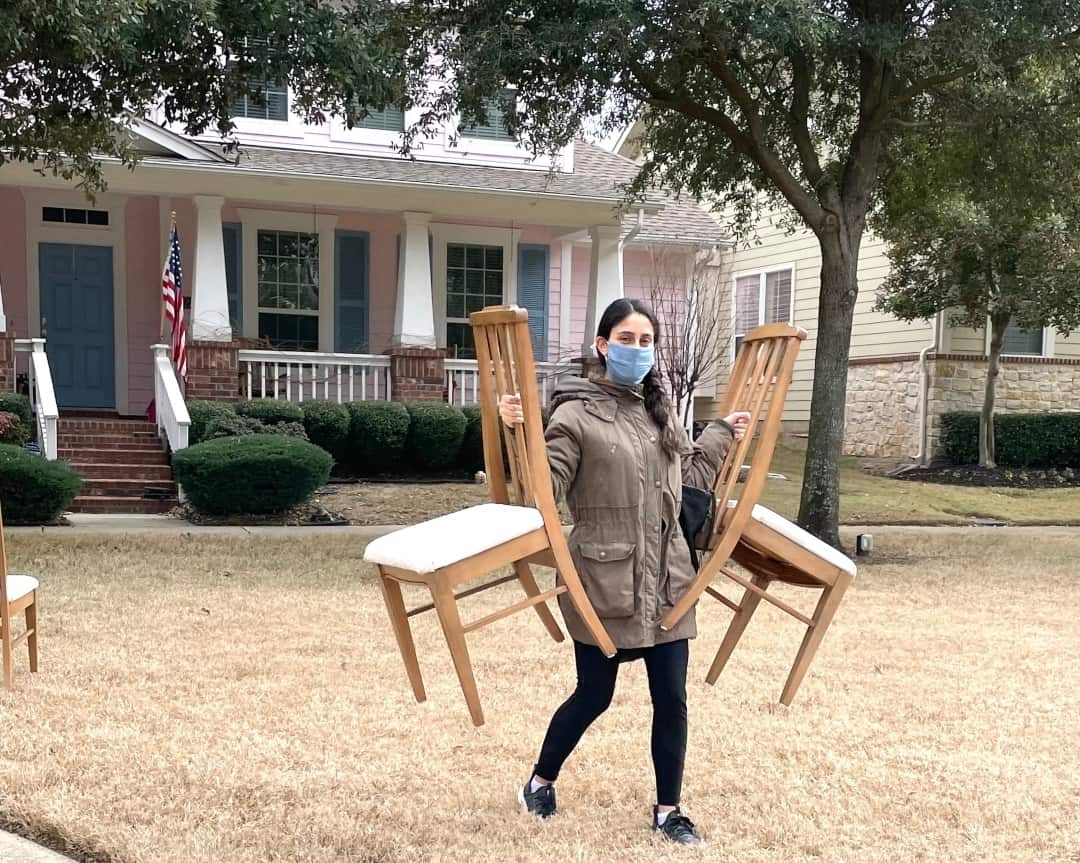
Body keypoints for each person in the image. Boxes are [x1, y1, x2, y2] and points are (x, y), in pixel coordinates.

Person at [498, 297, 750, 846]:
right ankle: (540, 781)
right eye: (626, 339)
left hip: (667, 580)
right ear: (602, 345)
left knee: (672, 699)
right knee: (594, 695)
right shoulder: (574, 414)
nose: (637, 350)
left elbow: (692, 477)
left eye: (646, 341)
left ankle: (669, 810)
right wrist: (515, 434)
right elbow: (542, 490)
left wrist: (721, 432)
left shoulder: (658, 412)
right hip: (606, 580)